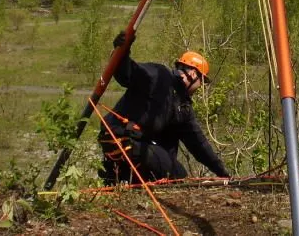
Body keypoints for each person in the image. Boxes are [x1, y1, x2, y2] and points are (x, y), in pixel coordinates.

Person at [97, 31, 230, 185]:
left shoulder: (182, 107)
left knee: (169, 148)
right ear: (194, 74)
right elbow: (127, 73)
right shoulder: (159, 75)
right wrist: (122, 49)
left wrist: (223, 173)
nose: (200, 87)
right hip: (123, 140)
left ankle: (121, 176)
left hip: (129, 147)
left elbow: (199, 145)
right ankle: (122, 174)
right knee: (178, 175)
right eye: (202, 81)